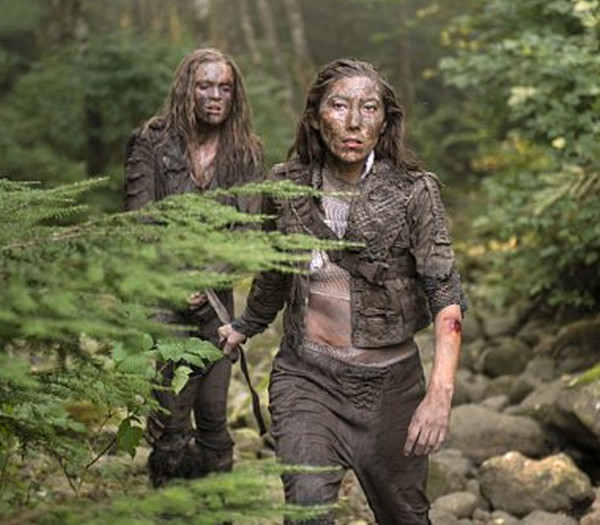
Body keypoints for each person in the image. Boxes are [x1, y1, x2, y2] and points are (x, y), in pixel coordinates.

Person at [218, 58, 466, 525]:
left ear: (384, 122)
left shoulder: (414, 191)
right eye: (338, 106)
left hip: (391, 387)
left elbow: (446, 296)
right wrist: (243, 326)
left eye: (369, 108)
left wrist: (439, 395)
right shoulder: (285, 186)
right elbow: (275, 273)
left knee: (405, 515)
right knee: (307, 508)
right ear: (315, 117)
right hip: (308, 378)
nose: (354, 122)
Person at [124, 48, 263, 488]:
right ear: (187, 88)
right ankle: (172, 507)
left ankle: (217, 506)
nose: (215, 96)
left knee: (214, 414)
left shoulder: (245, 151)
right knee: (170, 418)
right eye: (205, 86)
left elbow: (248, 231)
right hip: (162, 297)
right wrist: (175, 277)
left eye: (224, 87)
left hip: (216, 302)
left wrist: (208, 279)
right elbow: (140, 221)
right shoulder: (150, 141)